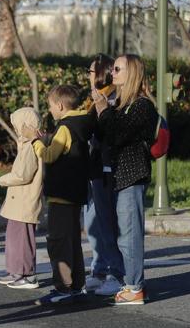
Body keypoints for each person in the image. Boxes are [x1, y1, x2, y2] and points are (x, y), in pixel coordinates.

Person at [91, 54, 157, 305]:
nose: (113, 73)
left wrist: (103, 111)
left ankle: (134, 287)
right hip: (117, 176)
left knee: (130, 234)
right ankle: (130, 282)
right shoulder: (118, 104)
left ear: (133, 73)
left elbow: (117, 134)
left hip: (132, 175)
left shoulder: (142, 106)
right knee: (120, 233)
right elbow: (103, 134)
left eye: (118, 69)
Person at [26, 85, 93, 306]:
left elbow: (50, 155)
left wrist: (36, 143)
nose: (50, 110)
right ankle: (77, 285)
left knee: (58, 242)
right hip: (75, 193)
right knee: (73, 240)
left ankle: (63, 287)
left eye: (51, 106)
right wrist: (48, 138)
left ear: (60, 105)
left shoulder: (64, 127)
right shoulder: (81, 123)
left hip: (61, 196)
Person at [84, 54, 125, 297]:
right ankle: (99, 270)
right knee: (93, 224)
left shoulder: (113, 99)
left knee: (107, 223)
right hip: (92, 167)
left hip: (106, 167)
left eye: (90, 72)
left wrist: (100, 109)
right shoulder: (95, 99)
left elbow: (106, 133)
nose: (88, 77)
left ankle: (116, 273)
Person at [0, 107, 43, 289]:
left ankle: (27, 274)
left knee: (23, 239)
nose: (15, 129)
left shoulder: (31, 146)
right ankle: (15, 271)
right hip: (18, 202)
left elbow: (23, 175)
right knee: (14, 237)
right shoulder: (25, 145)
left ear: (24, 126)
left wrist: (3, 179)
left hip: (25, 201)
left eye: (17, 126)